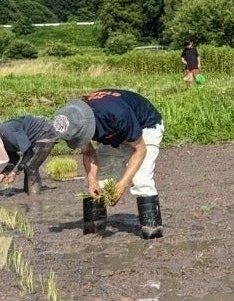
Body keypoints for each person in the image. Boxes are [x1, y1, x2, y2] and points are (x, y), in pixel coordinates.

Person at [53, 89, 165, 238]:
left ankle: (152, 229)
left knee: (141, 178)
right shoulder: (72, 122)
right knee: (101, 181)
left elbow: (140, 149)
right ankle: (94, 229)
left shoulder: (117, 113)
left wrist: (122, 185)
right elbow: (88, 152)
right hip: (114, 133)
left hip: (145, 127)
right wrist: (91, 181)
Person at [0, 115, 65, 196]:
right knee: (28, 165)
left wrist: (15, 172)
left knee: (31, 166)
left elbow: (29, 152)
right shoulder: (2, 141)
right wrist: (3, 174)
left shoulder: (7, 133)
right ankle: (28, 192)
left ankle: (34, 198)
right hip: (33, 140)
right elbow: (14, 158)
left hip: (45, 132)